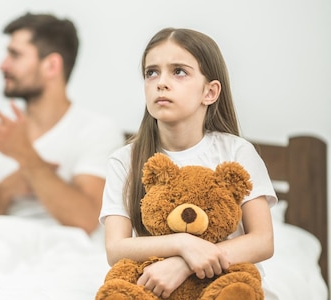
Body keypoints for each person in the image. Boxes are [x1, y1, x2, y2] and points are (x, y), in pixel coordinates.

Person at [98, 28, 277, 298]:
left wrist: (184, 263)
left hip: (227, 284)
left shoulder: (237, 152)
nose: (161, 82)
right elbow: (116, 248)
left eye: (179, 71)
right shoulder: (125, 160)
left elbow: (263, 240)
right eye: (152, 72)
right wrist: (182, 243)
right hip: (159, 288)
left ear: (210, 92)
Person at [0, 12, 123, 234]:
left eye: (15, 55)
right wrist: (6, 189)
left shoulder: (98, 131)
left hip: (63, 252)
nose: (3, 65)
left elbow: (87, 220)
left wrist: (27, 157)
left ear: (52, 65)